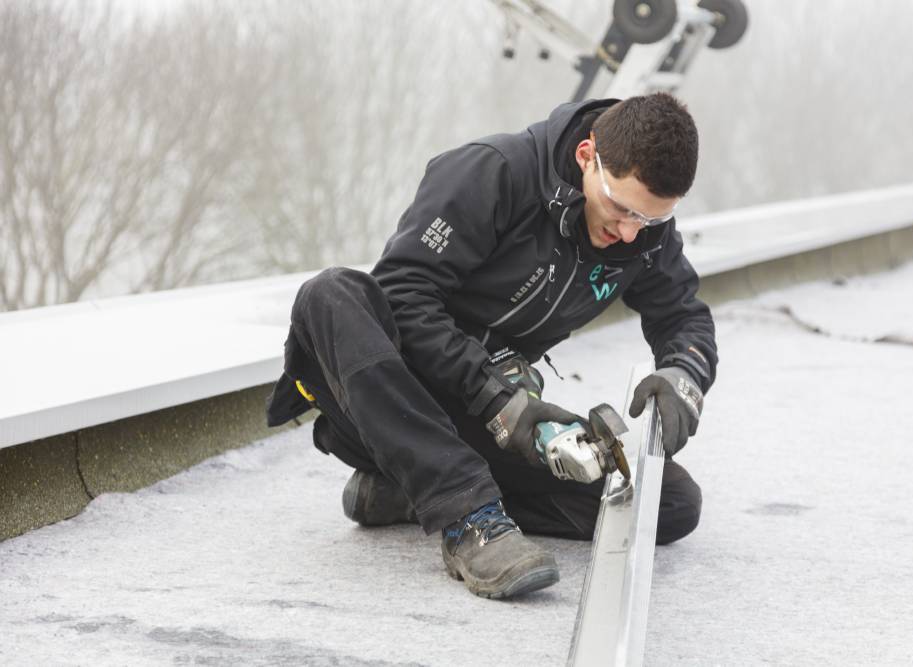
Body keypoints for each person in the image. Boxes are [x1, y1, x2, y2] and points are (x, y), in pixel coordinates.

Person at [265, 92, 718, 599]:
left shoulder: (643, 232)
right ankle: (471, 520)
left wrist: (684, 376)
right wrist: (496, 394)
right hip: (388, 402)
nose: (630, 233)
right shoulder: (493, 173)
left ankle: (411, 492)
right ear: (586, 155)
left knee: (670, 502)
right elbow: (402, 295)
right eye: (620, 208)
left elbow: (683, 314)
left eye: (650, 220)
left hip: (489, 413)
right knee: (329, 293)